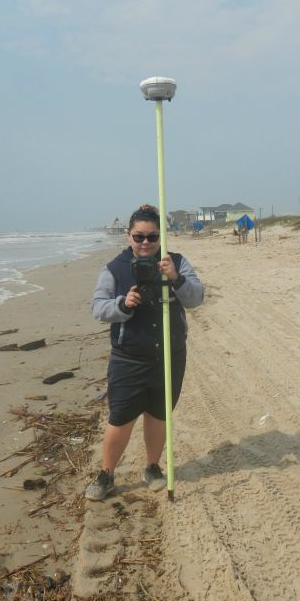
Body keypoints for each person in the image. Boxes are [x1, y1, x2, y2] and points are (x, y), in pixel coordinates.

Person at [85, 204, 205, 500]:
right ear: (129, 237)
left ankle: (152, 466)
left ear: (161, 237)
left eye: (152, 237)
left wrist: (176, 279)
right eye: (139, 237)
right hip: (129, 357)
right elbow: (97, 307)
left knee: (159, 414)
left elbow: (197, 298)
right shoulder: (114, 269)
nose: (146, 243)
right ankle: (107, 474)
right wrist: (123, 305)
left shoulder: (176, 262)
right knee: (120, 418)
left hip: (169, 355)